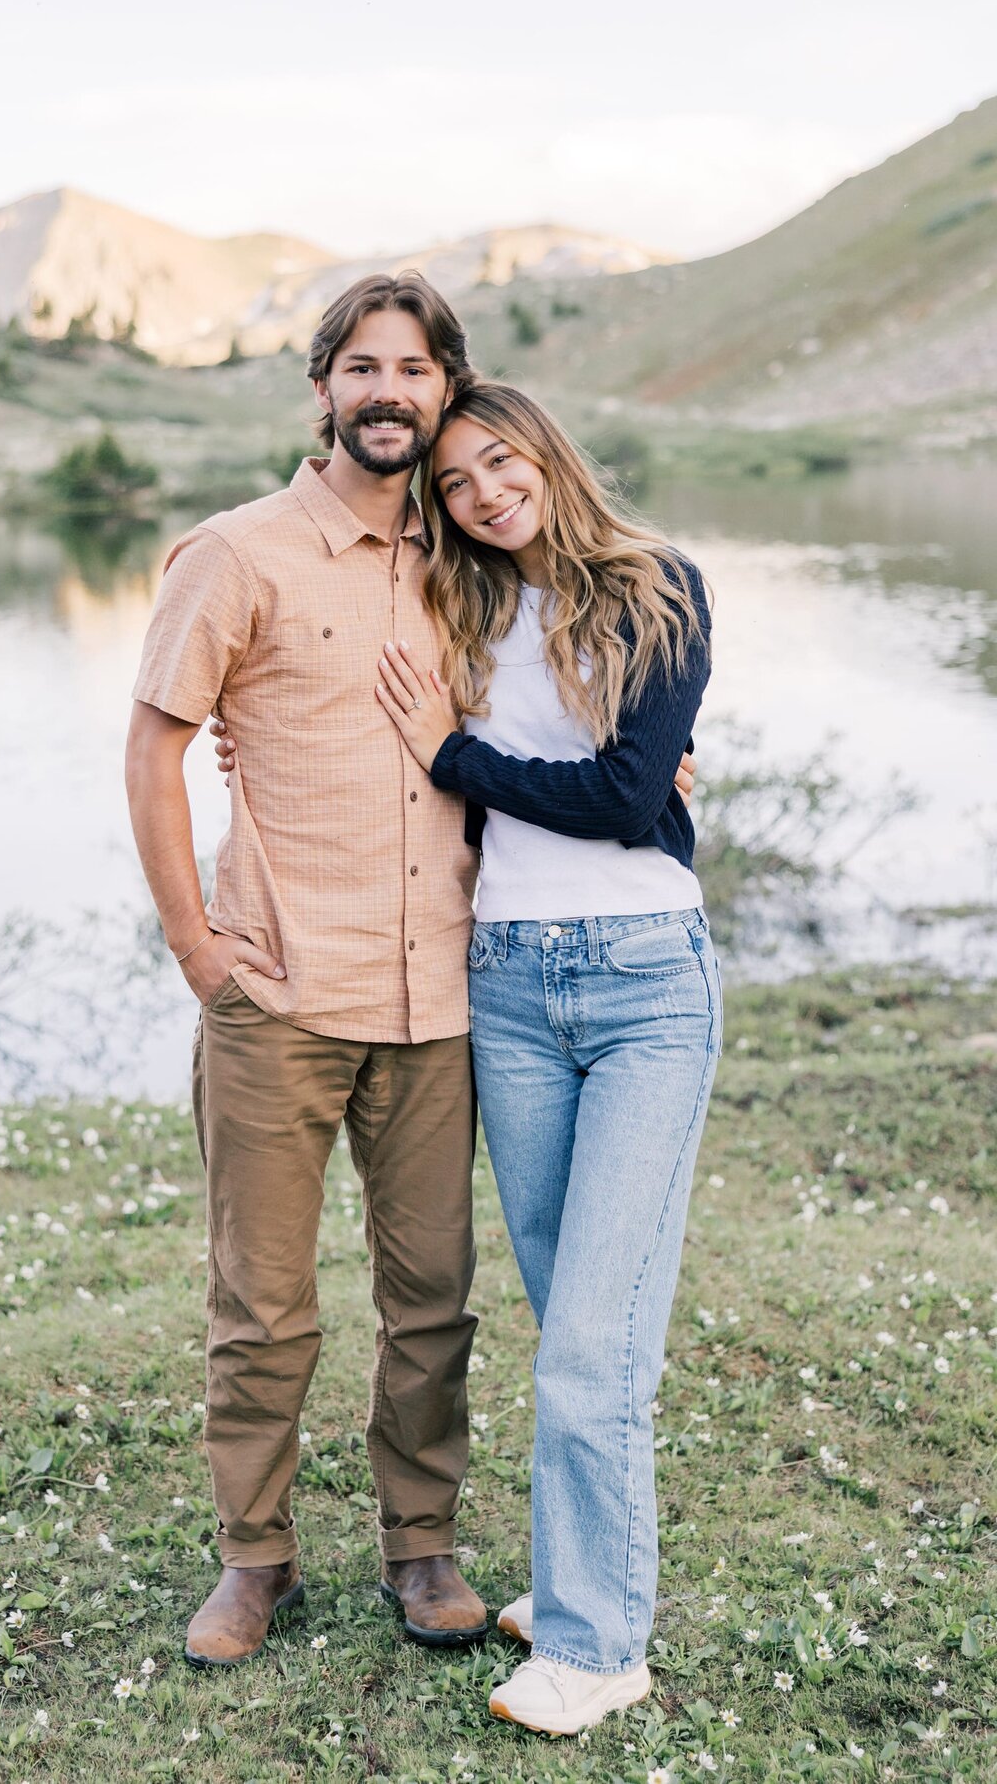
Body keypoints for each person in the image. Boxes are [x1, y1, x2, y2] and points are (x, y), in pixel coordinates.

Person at [125, 271, 493, 1666]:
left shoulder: (472, 557)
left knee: (432, 1301)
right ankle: (254, 1560)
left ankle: (423, 1549)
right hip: (277, 995)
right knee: (262, 1308)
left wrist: (663, 758)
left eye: (414, 369)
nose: (388, 391)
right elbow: (153, 747)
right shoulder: (237, 554)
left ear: (443, 392)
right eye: (362, 367)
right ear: (323, 387)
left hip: (439, 998)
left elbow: (575, 680)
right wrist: (196, 948)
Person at [368, 379, 721, 1737]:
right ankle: (589, 1576)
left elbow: (631, 799)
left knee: (591, 1342)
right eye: (455, 482)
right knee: (574, 1317)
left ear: (545, 456)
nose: (482, 494)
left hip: (643, 986)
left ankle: (596, 1644)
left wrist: (456, 756)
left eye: (498, 462)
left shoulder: (658, 587)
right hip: (509, 987)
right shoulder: (460, 607)